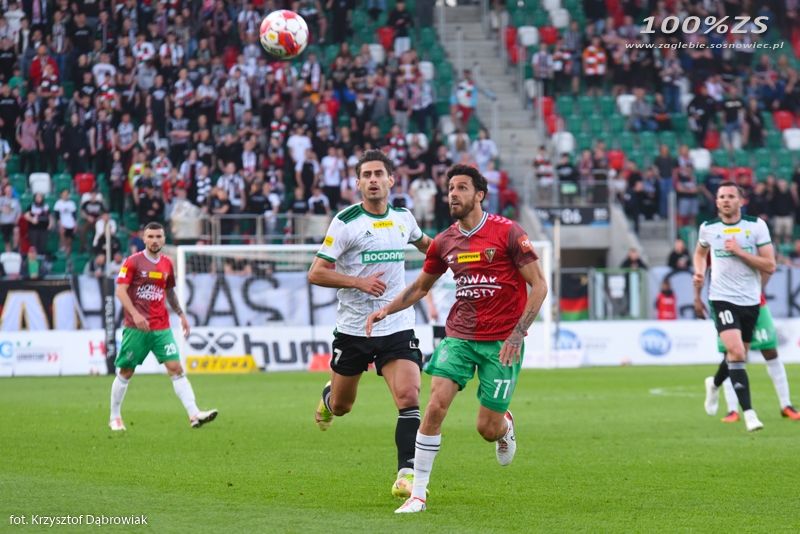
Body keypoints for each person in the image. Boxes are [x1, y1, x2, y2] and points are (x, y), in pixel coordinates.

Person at [366, 164, 548, 514]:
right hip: (460, 337)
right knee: (434, 406)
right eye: (450, 188)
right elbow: (421, 287)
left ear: (479, 195)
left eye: (461, 187)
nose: (453, 193)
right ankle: (418, 495)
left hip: (502, 343)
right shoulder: (444, 241)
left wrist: (517, 333)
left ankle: (504, 426)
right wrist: (385, 310)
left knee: (486, 428)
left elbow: (539, 285)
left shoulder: (508, 232)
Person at [307, 149, 433, 498]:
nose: (373, 180)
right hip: (354, 328)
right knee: (343, 406)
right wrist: (358, 282)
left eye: (379, 174)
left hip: (396, 323)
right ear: (358, 183)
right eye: (367, 175)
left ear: (392, 180)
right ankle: (328, 399)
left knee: (408, 396)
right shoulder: (346, 222)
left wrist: (459, 256)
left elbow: (430, 248)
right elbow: (316, 273)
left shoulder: (404, 218)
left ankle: (406, 475)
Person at [110, 222, 218, 431]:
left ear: (164, 239)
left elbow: (169, 292)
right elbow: (120, 291)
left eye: (158, 236)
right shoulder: (133, 262)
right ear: (144, 239)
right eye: (150, 236)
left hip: (161, 327)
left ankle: (194, 414)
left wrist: (181, 315)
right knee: (126, 371)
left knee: (176, 368)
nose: (154, 240)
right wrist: (135, 314)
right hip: (136, 328)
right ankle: (115, 417)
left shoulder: (167, 263)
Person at [693, 181, 776, 433]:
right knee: (737, 352)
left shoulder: (756, 226)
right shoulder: (708, 228)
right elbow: (700, 254)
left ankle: (714, 384)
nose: (726, 200)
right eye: (721, 197)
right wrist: (699, 272)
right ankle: (749, 414)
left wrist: (741, 252)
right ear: (717, 202)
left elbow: (770, 265)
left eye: (731, 196)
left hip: (750, 300)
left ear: (741, 201)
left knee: (738, 356)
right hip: (721, 298)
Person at [714, 283, 800, 423]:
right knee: (730, 354)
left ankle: (786, 405)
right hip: (726, 304)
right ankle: (732, 410)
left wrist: (751, 290)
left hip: (755, 303)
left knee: (770, 351)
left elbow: (768, 270)